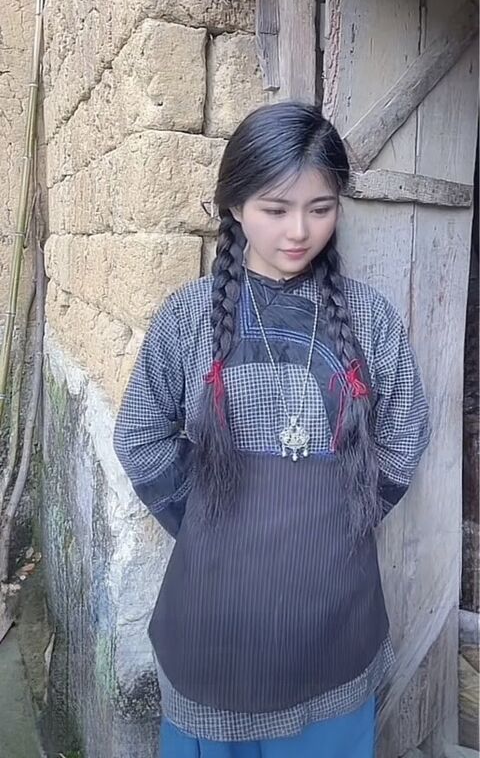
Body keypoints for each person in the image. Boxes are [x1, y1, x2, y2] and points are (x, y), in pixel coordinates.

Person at [113, 102, 431, 757]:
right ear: (234, 206)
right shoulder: (188, 318)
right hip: (213, 629)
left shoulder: (371, 319)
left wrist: (344, 514)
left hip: (334, 625)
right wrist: (208, 520)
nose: (299, 231)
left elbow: (405, 436)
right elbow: (140, 437)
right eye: (275, 208)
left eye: (321, 208)